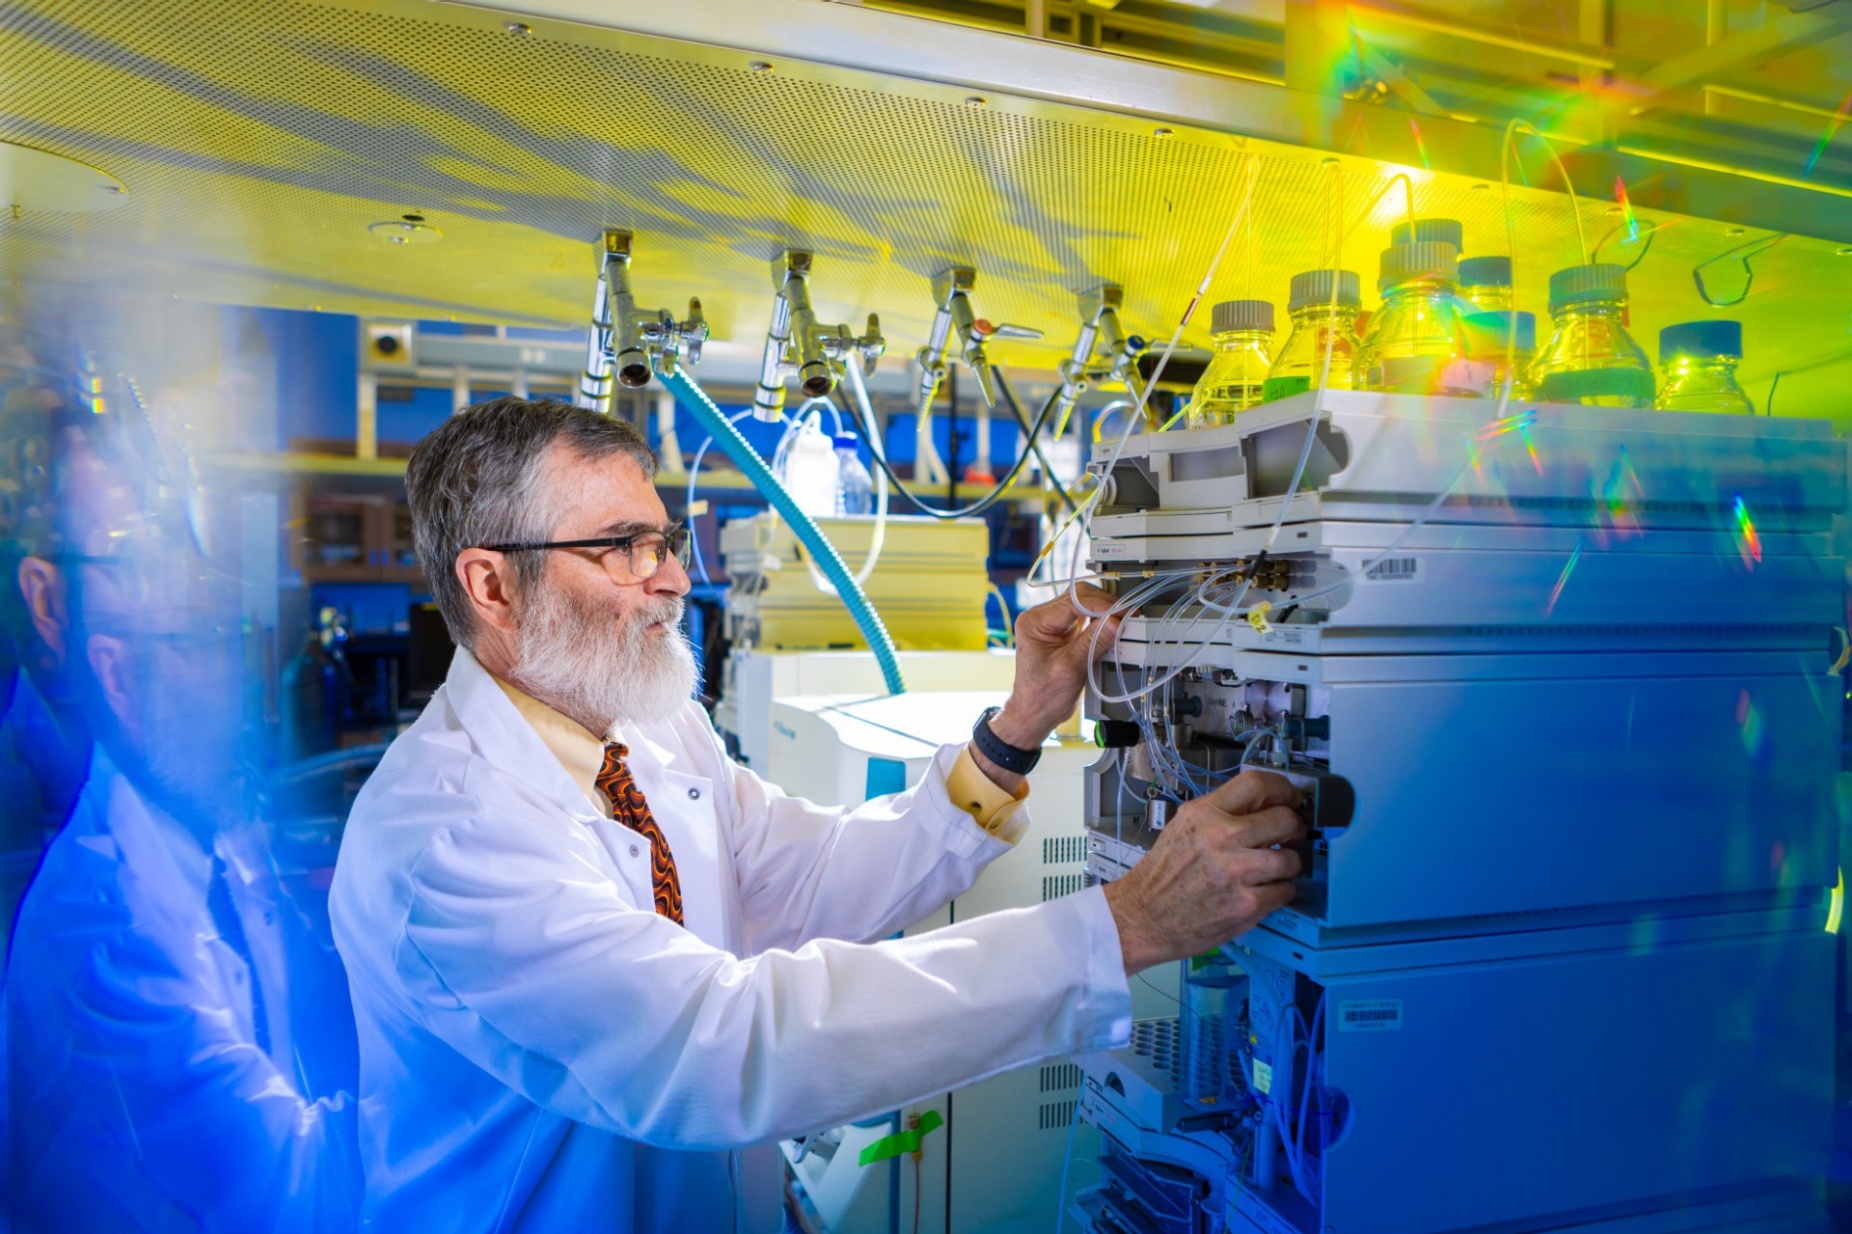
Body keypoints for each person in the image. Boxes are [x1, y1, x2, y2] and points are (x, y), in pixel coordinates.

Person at [330, 396, 1306, 1233]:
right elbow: (720, 1048)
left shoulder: (646, 729)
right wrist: (1124, 927)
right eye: (623, 548)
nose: (674, 578)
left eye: (664, 540)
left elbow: (811, 878)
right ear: (493, 585)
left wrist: (1016, 729)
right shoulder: (445, 834)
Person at [4, 401, 362, 1232]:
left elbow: (307, 1002)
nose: (242, 692)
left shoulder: (203, 826)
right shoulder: (108, 933)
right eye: (131, 555)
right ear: (114, 671)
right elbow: (293, 1188)